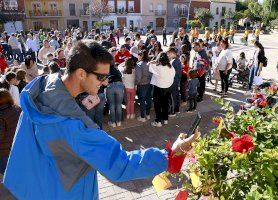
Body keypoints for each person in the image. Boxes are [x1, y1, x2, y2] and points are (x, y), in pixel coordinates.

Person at [3, 40, 199, 199]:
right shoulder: (72, 127)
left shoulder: (38, 92)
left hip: (37, 188)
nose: (106, 82)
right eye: (101, 77)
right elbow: (120, 165)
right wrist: (173, 153)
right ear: (81, 73)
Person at [149, 52, 175, 127]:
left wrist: (152, 61)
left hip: (158, 88)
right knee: (165, 104)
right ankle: (165, 119)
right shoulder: (171, 67)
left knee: (157, 105)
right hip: (168, 87)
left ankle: (158, 121)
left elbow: (149, 66)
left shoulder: (158, 67)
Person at [0, 89, 21, 174]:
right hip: (17, 149)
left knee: (5, 179)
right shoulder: (18, 110)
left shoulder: (1, 115)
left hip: (3, 153)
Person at [135, 50, 152, 122]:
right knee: (148, 99)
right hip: (149, 84)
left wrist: (135, 83)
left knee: (142, 100)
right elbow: (152, 74)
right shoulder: (149, 64)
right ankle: (147, 114)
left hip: (142, 85)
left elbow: (138, 77)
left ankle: (142, 116)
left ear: (141, 55)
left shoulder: (139, 64)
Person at [167, 48, 182, 116]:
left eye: (169, 54)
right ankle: (177, 109)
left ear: (172, 53)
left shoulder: (174, 61)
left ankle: (173, 112)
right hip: (176, 81)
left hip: (173, 81)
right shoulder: (177, 60)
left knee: (173, 96)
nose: (168, 55)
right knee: (176, 95)